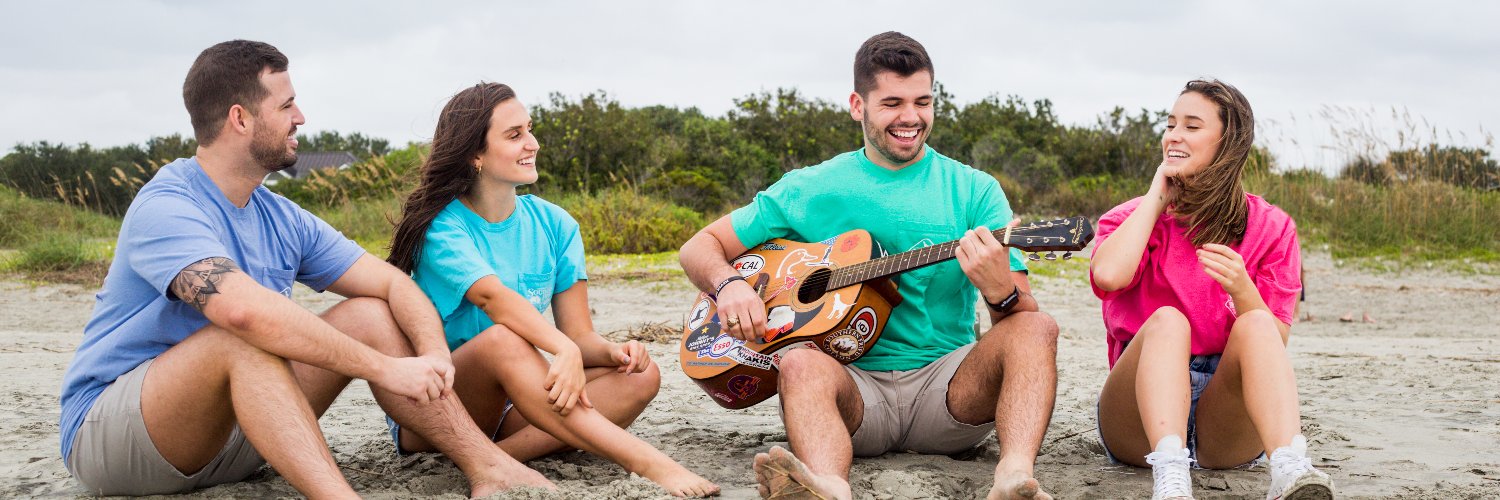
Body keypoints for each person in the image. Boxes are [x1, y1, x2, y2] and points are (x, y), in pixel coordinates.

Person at [57, 40, 553, 498]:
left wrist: (433, 355)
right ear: (240, 118)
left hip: (239, 435)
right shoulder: (167, 205)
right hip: (120, 439)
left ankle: (488, 466)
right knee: (240, 338)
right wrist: (384, 369)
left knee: (369, 312)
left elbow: (391, 283)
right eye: (286, 105)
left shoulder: (280, 215)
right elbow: (242, 314)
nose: (301, 117)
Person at [678, 32, 1060, 500]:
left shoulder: (974, 190)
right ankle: (829, 487)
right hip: (852, 395)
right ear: (858, 105)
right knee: (798, 362)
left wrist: (1000, 291)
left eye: (923, 102)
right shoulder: (809, 187)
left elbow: (1017, 326)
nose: (911, 117)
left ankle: (1013, 478)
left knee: (1038, 327)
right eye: (892, 103)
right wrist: (730, 285)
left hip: (949, 392)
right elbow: (700, 246)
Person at [385, 82, 719, 498]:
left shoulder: (556, 224)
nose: (533, 143)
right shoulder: (443, 226)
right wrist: (563, 350)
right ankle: (647, 462)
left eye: (530, 129)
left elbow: (579, 336)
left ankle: (499, 457)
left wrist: (613, 353)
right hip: (439, 406)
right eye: (514, 135)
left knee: (639, 375)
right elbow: (493, 299)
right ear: (475, 155)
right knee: (502, 339)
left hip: (512, 404)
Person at [1089, 79, 1335, 500]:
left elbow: (1273, 341)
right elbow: (1108, 276)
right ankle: (1171, 478)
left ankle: (1289, 468)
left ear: (1228, 143)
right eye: (1170, 125)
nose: (1174, 136)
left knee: (1256, 323)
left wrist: (1242, 289)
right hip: (1136, 420)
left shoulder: (1272, 227)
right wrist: (1157, 197)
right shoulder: (1131, 218)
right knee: (1168, 321)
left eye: (1191, 126)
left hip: (1223, 421)